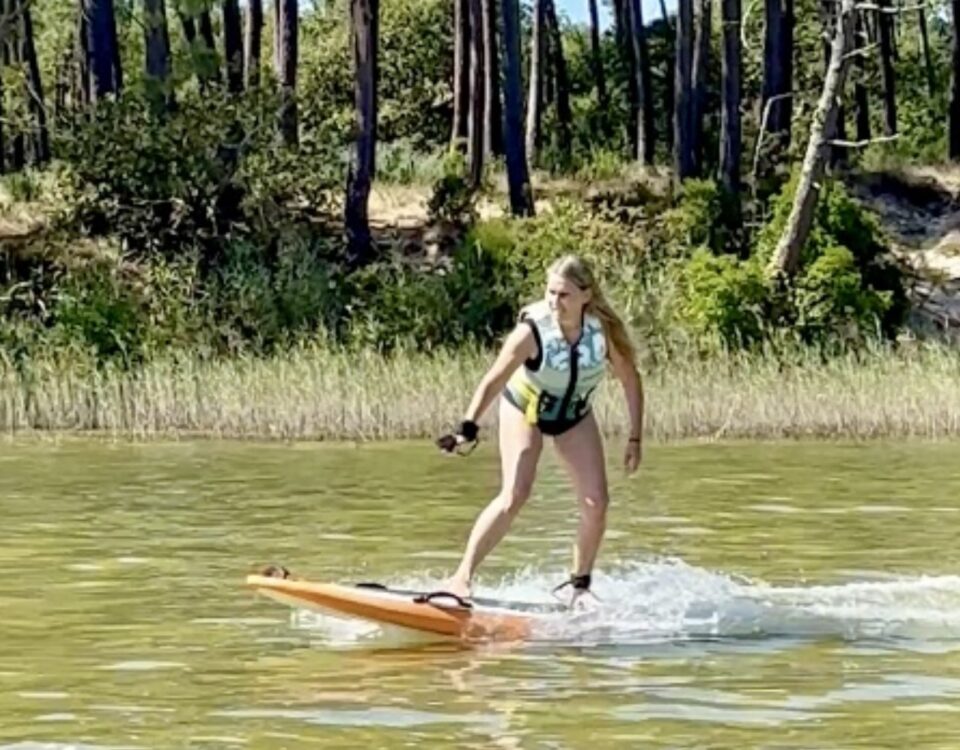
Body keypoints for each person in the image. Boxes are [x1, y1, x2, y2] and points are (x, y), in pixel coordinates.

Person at [436, 254, 644, 604]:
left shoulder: (602, 331)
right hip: (525, 410)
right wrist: (467, 427)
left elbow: (631, 380)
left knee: (597, 503)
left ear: (585, 296)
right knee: (515, 495)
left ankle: (579, 588)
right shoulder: (532, 332)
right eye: (550, 293)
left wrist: (635, 437)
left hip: (573, 417)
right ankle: (460, 578)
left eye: (563, 295)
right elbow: (494, 378)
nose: (554, 302)